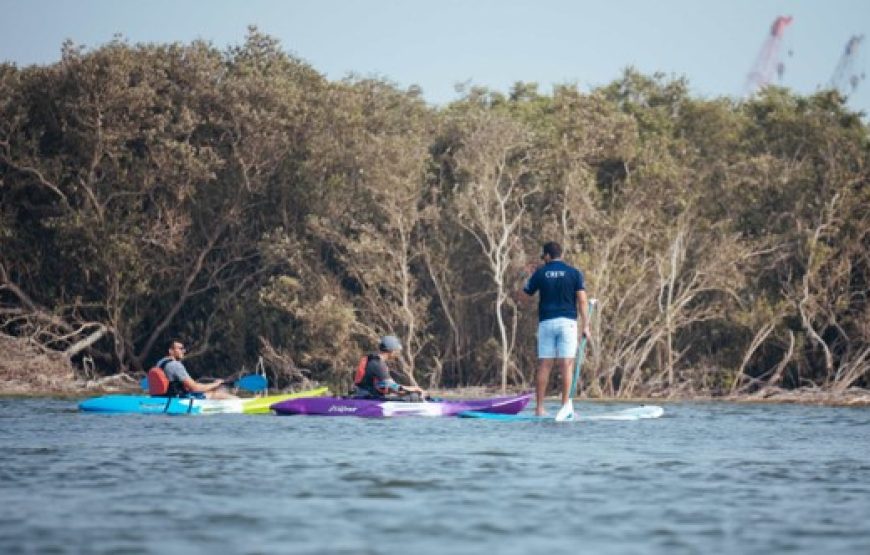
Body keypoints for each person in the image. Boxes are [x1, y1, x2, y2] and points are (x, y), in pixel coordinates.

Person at [520, 241, 590, 416]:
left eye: (543, 256)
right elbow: (582, 300)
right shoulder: (574, 273)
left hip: (547, 323)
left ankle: (539, 408)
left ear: (548, 256)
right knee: (567, 365)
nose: (543, 260)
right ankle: (565, 407)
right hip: (568, 323)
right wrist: (586, 325)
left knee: (545, 365)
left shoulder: (540, 273)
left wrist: (528, 278)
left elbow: (523, 297)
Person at [352, 335, 427, 401]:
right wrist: (415, 389)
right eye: (397, 350)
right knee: (414, 396)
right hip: (368, 399)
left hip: (365, 396)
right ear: (392, 351)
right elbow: (396, 388)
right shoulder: (378, 365)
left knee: (409, 395)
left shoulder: (372, 359)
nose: (398, 353)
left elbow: (386, 387)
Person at [154, 340, 236, 400]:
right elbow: (195, 388)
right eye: (180, 348)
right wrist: (216, 384)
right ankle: (239, 401)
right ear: (171, 351)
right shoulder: (175, 365)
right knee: (216, 394)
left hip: (165, 397)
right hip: (179, 399)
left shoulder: (160, 362)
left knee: (215, 390)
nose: (184, 351)